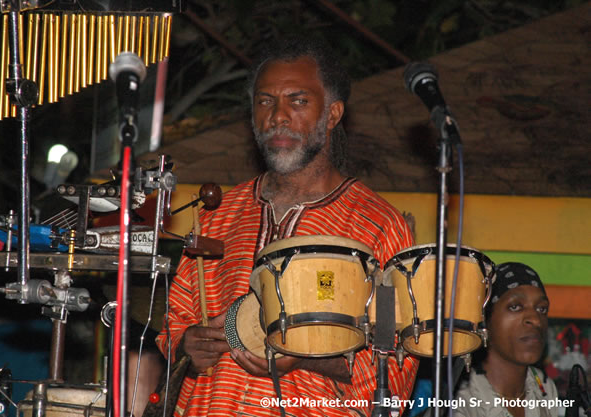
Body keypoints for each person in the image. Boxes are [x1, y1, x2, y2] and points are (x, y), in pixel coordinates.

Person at [156, 35, 418, 416]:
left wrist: (301, 356)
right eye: (265, 101)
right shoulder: (218, 214)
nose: (278, 116)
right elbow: (174, 323)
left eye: (298, 101)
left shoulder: (378, 225)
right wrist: (185, 345)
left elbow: (393, 365)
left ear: (332, 114)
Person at [455, 262, 559, 417]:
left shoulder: (543, 387)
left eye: (542, 309)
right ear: (485, 319)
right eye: (515, 306)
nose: (536, 320)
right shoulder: (459, 399)